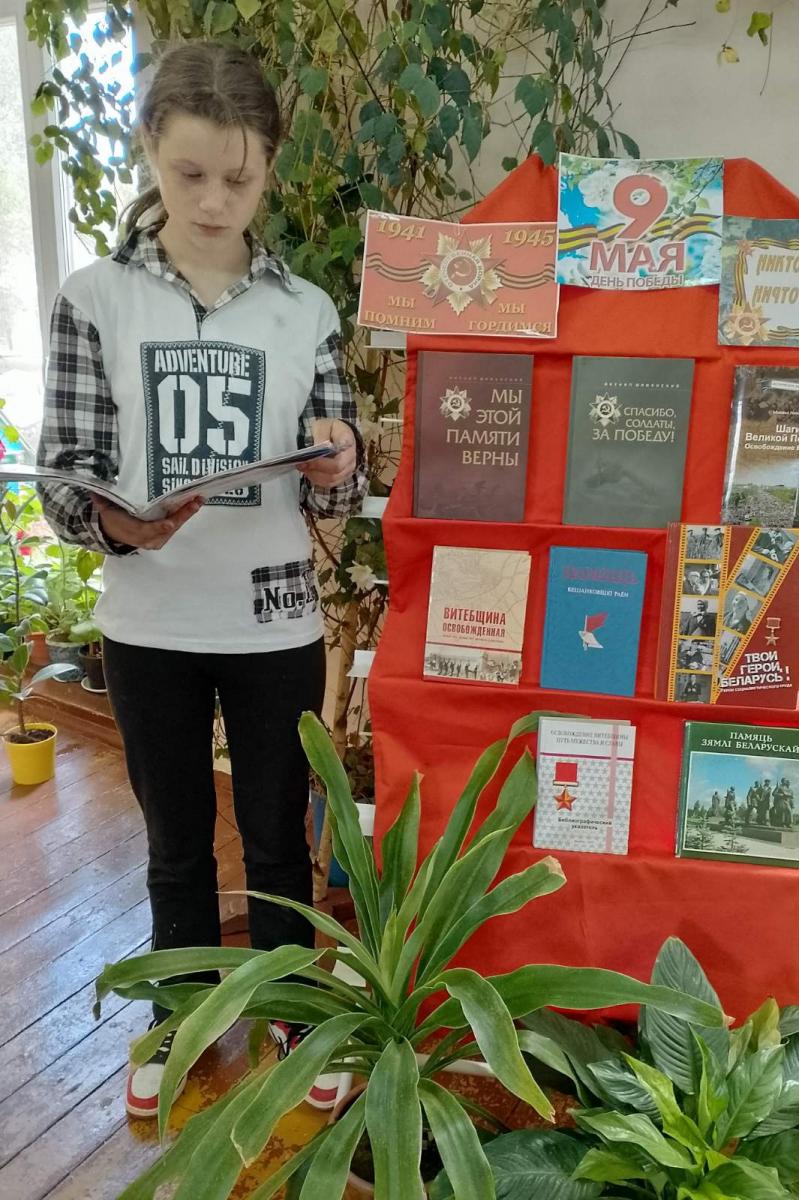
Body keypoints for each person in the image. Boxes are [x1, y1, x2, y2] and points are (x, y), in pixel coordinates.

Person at [36, 42, 367, 1119]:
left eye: (240, 178)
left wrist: (342, 463)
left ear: (270, 167)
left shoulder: (305, 309)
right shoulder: (93, 298)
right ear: (149, 152)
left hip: (275, 622)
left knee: (277, 835)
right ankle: (177, 1011)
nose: (216, 200)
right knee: (174, 843)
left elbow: (339, 484)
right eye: (190, 174)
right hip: (149, 623)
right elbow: (62, 473)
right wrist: (113, 519)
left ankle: (294, 1011)